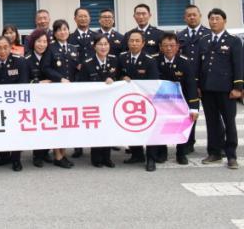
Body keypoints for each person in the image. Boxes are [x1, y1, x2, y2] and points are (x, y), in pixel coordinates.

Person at [198, 8, 243, 169]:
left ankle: (231, 155)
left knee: (229, 122)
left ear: (224, 21)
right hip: (207, 89)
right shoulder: (203, 40)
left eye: (217, 18)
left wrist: (238, 87)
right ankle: (214, 152)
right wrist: (198, 85)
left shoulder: (233, 41)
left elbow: (238, 65)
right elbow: (199, 65)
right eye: (211, 19)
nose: (214, 21)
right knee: (212, 122)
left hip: (226, 90)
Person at [0, 36, 30, 172]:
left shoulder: (20, 61)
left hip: (15, 104)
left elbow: (23, 83)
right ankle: (4, 157)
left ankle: (16, 159)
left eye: (5, 48)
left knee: (15, 132)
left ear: (11, 48)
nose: (2, 51)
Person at [118, 31, 161, 171]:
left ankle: (151, 158)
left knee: (149, 129)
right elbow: (117, 74)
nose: (134, 43)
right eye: (131, 41)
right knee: (131, 127)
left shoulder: (149, 60)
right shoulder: (122, 58)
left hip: (146, 101)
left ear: (143, 44)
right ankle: (137, 154)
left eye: (137, 41)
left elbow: (154, 82)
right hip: (128, 102)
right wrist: (122, 77)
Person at [157, 33, 200, 165]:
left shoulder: (185, 62)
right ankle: (161, 152)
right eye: (165, 45)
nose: (169, 48)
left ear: (177, 47)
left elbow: (191, 86)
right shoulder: (155, 60)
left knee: (181, 127)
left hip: (182, 101)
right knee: (161, 126)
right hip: (162, 102)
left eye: (172, 45)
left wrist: (193, 108)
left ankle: (181, 153)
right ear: (160, 47)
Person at [42, 19, 79, 166]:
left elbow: (77, 68)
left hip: (71, 92)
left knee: (66, 124)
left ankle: (63, 154)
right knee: (57, 123)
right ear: (55, 33)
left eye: (65, 29)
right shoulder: (50, 48)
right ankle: (57, 156)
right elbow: (45, 68)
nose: (62, 32)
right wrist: (60, 79)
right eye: (59, 30)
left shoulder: (73, 48)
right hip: (56, 91)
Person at [79, 35, 118, 168]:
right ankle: (96, 158)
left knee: (108, 129)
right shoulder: (87, 63)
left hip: (110, 102)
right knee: (96, 129)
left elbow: (119, 77)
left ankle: (107, 158)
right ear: (94, 46)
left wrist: (115, 80)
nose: (103, 47)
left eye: (106, 44)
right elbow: (81, 84)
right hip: (93, 104)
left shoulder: (114, 60)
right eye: (100, 44)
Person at [177, 4, 210, 153]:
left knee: (212, 115)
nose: (192, 17)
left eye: (194, 14)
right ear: (184, 18)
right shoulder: (179, 36)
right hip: (186, 83)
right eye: (188, 15)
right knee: (188, 113)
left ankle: (217, 145)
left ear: (200, 16)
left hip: (206, 82)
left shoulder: (208, 35)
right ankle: (188, 143)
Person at [24, 29, 53, 168]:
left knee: (49, 125)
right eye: (39, 41)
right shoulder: (27, 59)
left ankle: (46, 152)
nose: (42, 44)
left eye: (44, 41)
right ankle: (37, 155)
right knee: (38, 126)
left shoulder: (51, 55)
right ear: (33, 42)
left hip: (51, 97)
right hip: (35, 98)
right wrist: (39, 83)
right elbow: (25, 80)